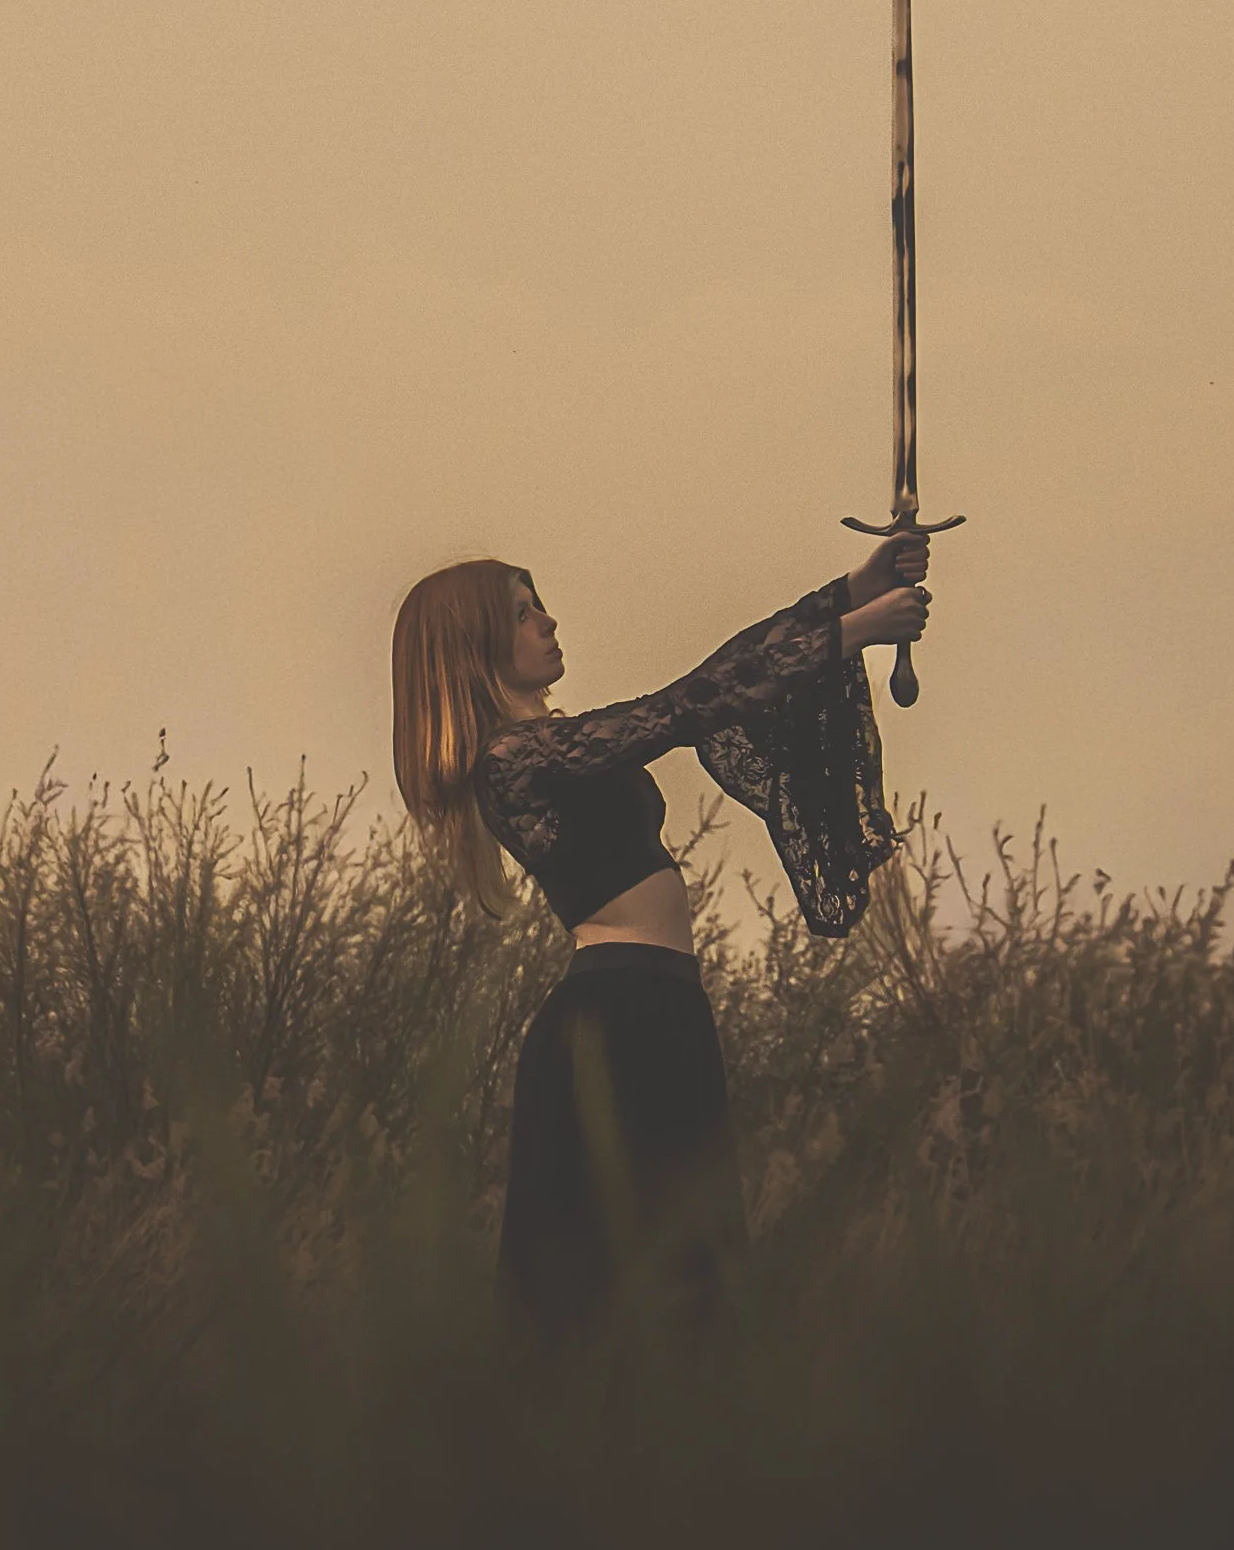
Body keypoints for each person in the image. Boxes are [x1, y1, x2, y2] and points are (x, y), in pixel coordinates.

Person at [390, 538, 933, 1371]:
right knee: (612, 1280)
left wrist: (845, 595)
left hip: (664, 1012)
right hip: (609, 1025)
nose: (549, 621)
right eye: (525, 613)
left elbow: (712, 684)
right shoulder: (513, 762)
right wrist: (845, 635)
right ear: (476, 646)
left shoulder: (560, 740)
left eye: (540, 604)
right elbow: (689, 706)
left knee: (694, 1264)